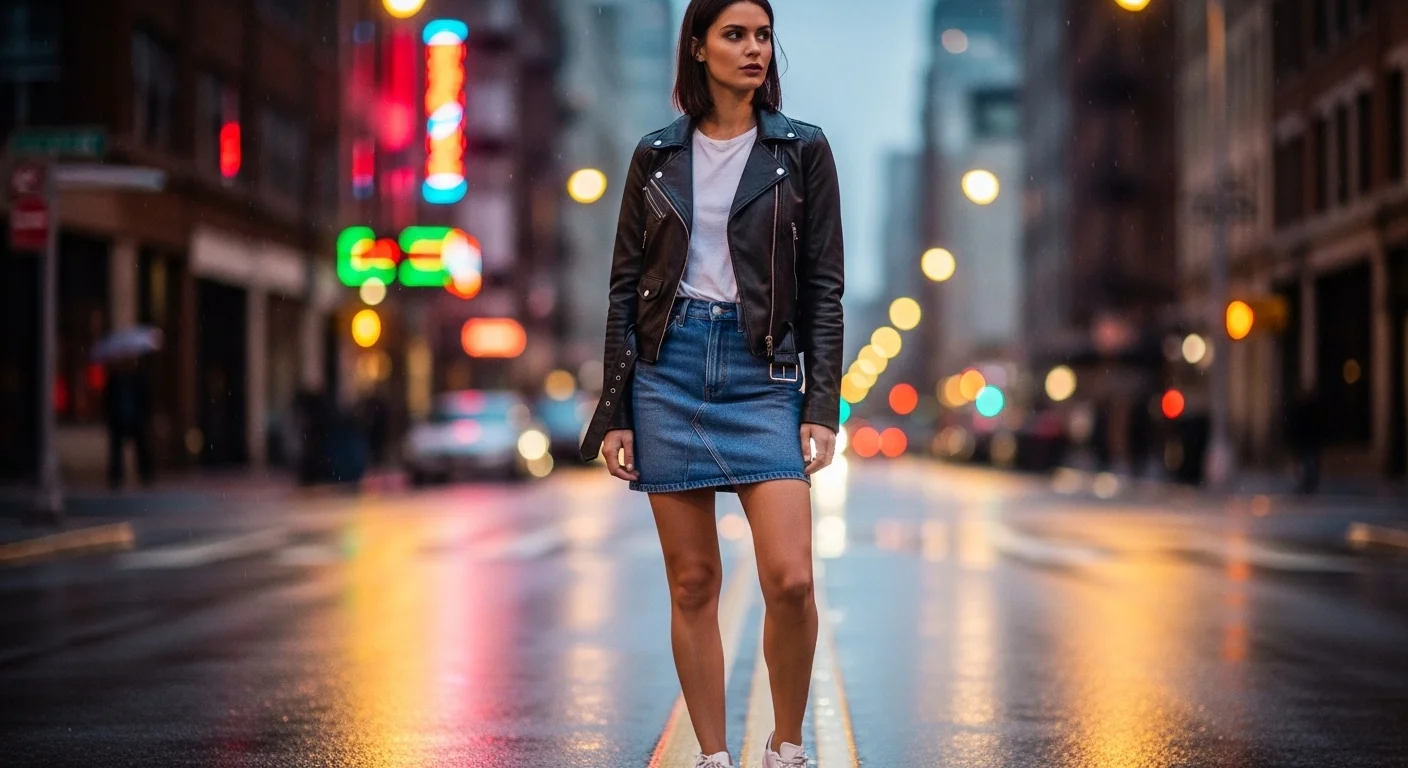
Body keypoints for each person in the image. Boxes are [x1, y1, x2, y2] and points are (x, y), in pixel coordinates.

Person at [578, 2, 843, 765]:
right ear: (698, 48)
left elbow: (824, 287)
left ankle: (786, 746)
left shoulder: (803, 152)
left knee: (790, 579)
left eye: (762, 36)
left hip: (763, 374)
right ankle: (713, 755)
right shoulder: (655, 156)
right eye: (735, 35)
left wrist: (819, 404)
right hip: (670, 370)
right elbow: (625, 287)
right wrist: (618, 408)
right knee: (694, 582)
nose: (754, 49)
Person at [104, 357, 153, 489]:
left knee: (141, 447)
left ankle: (145, 473)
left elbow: (145, 397)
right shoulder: (115, 379)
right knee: (116, 449)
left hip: (135, 418)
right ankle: (116, 475)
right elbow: (108, 400)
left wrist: (144, 415)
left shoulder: (138, 378)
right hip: (118, 418)